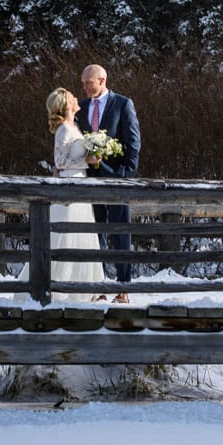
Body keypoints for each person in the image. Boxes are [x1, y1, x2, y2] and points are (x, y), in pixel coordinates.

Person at [21, 88, 105, 300]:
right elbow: (59, 162)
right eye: (72, 98)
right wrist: (86, 161)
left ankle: (87, 286)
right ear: (66, 105)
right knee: (65, 233)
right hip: (69, 183)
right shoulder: (63, 131)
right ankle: (59, 287)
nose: (77, 98)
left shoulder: (73, 126)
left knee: (82, 232)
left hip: (79, 182)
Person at [76, 64, 141, 297]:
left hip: (117, 180)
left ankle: (123, 287)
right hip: (89, 180)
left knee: (120, 233)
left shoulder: (123, 104)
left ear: (102, 80)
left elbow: (133, 142)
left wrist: (126, 175)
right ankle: (100, 285)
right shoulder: (80, 108)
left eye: (88, 83)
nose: (84, 87)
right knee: (95, 233)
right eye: (83, 82)